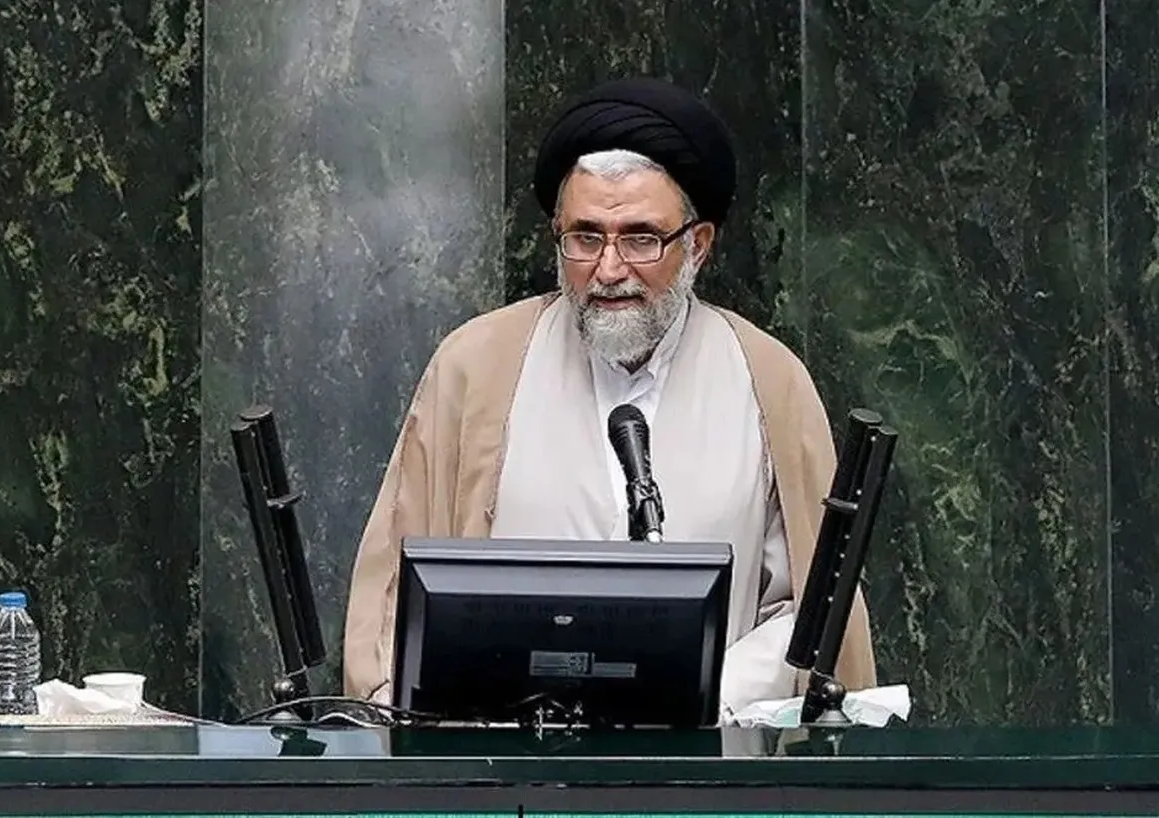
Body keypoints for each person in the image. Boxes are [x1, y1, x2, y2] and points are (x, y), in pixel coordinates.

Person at [343, 77, 877, 719]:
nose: (609, 269)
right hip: (502, 758)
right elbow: (393, 604)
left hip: (699, 756)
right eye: (586, 237)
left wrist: (690, 693)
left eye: (641, 238)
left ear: (698, 245)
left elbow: (809, 613)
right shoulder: (475, 367)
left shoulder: (767, 380)